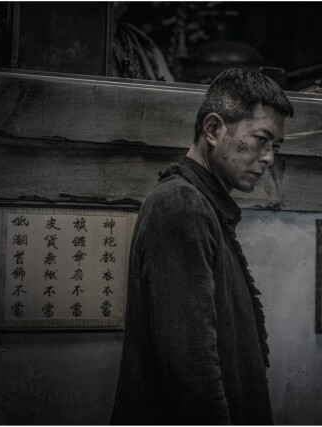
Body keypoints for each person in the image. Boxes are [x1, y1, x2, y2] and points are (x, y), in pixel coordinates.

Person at [111, 68, 294, 425]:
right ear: (213, 129)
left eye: (275, 147)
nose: (269, 158)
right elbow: (193, 373)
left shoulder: (200, 205)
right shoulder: (181, 205)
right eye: (261, 139)